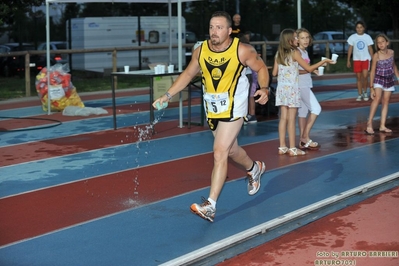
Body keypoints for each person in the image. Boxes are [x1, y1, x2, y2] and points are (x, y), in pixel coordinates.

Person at [152, 11, 270, 222]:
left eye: (219, 27)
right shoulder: (201, 50)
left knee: (219, 151)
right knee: (231, 150)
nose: (214, 32)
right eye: (211, 27)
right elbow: (188, 74)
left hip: (235, 105)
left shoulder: (242, 50)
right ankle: (254, 168)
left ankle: (210, 205)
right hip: (213, 108)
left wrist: (265, 88)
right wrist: (168, 94)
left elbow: (261, 68)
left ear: (229, 31)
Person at [272, 29, 335, 156]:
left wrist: (289, 71)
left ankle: (282, 146)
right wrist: (324, 61)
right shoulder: (294, 52)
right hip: (293, 89)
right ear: (289, 40)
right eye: (295, 38)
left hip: (281, 89)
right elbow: (309, 68)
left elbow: (274, 73)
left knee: (283, 118)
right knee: (291, 119)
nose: (296, 40)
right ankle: (292, 148)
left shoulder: (278, 53)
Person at [365, 33, 399, 134]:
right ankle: (369, 123)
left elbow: (394, 66)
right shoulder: (376, 55)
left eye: (382, 42)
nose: (380, 44)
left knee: (386, 101)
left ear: (387, 42)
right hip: (378, 79)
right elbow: (372, 72)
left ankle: (382, 125)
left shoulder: (392, 53)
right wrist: (371, 87)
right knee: (377, 98)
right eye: (378, 43)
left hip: (389, 79)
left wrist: (398, 77)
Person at [296, 28, 321, 150]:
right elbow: (295, 71)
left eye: (307, 37)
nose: (305, 40)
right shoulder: (298, 52)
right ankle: (305, 137)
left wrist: (312, 70)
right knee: (316, 108)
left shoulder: (304, 51)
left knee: (302, 112)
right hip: (301, 85)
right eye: (302, 38)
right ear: (297, 39)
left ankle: (302, 140)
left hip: (305, 83)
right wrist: (311, 69)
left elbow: (305, 69)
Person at [347, 21, 374, 102]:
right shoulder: (352, 37)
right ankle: (360, 94)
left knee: (365, 76)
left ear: (364, 28)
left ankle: (365, 92)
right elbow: (350, 49)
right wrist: (348, 60)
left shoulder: (367, 37)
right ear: (356, 28)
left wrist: (373, 59)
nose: (359, 29)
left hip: (365, 59)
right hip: (356, 59)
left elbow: (370, 49)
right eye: (357, 27)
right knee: (358, 78)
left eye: (361, 27)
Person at [240, 31, 258, 124]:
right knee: (248, 96)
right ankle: (249, 114)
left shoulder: (244, 50)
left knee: (248, 96)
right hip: (248, 75)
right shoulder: (249, 49)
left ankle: (250, 115)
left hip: (247, 75)